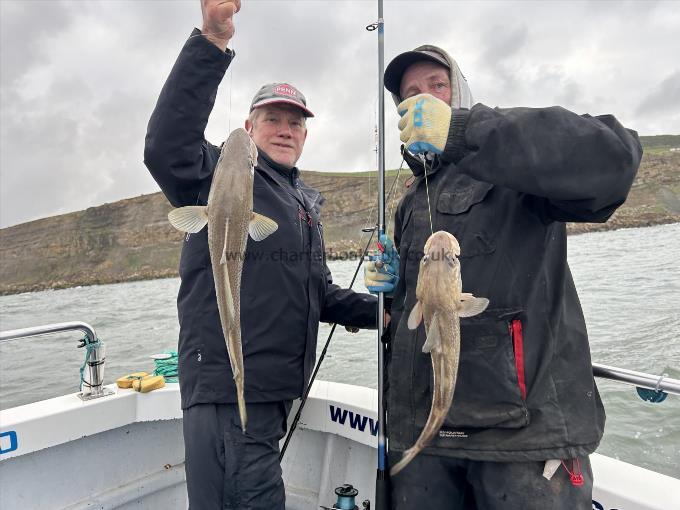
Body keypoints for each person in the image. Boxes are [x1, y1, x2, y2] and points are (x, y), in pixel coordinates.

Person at [366, 45, 642, 509]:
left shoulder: (516, 167)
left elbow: (614, 163)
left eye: (438, 86)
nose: (423, 99)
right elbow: (423, 310)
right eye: (410, 94)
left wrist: (465, 132)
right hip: (423, 438)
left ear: (462, 93)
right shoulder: (412, 198)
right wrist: (392, 291)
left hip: (521, 443)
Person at [144, 2, 378, 508]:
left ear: (306, 134)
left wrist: (390, 309)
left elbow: (320, 295)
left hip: (273, 394)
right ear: (249, 129)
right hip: (228, 394)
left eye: (295, 122)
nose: (285, 129)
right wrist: (211, 42)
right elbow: (166, 145)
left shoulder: (303, 204)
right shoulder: (214, 172)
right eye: (272, 118)